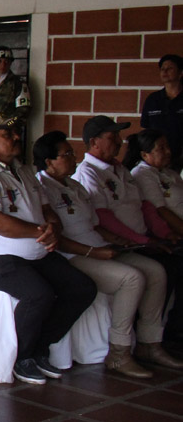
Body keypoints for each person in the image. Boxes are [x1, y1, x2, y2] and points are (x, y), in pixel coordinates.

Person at [0, 113, 97, 384]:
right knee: (39, 295)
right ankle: (20, 357)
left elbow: (45, 208)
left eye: (15, 132)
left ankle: (40, 347)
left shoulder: (24, 170)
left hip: (35, 253)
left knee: (82, 288)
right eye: (7, 135)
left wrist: (52, 226)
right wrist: (39, 232)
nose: (17, 137)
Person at [33, 131, 178, 377]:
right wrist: (94, 252)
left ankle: (149, 343)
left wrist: (122, 242)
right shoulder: (41, 188)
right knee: (131, 278)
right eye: (66, 154)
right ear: (49, 161)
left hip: (97, 247)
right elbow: (56, 239)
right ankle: (119, 353)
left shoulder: (74, 185)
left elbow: (95, 223)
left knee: (156, 271)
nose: (73, 157)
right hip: (74, 255)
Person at [73, 116, 183, 345]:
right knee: (161, 268)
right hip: (120, 243)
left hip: (139, 240)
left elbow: (145, 206)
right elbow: (103, 217)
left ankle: (150, 342)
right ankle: (123, 348)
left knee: (161, 271)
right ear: (94, 142)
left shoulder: (120, 169)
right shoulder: (89, 173)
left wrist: (161, 235)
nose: (120, 142)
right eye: (113, 137)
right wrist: (141, 240)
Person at [128, 128, 183, 237]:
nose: (168, 151)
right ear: (144, 155)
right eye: (161, 148)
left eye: (167, 146)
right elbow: (159, 210)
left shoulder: (169, 173)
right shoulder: (143, 174)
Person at [140, 54, 183, 168]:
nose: (165, 72)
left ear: (180, 73)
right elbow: (146, 130)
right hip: (158, 159)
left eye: (170, 68)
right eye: (162, 69)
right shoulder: (153, 99)